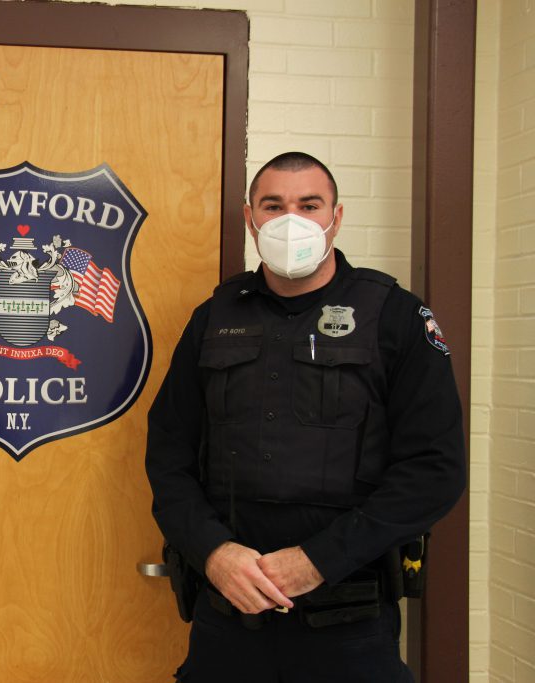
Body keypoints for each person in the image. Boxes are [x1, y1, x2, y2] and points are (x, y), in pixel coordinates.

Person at [145, 152, 466, 681]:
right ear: (250, 219)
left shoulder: (397, 317)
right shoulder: (214, 318)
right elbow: (169, 452)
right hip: (228, 620)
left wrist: (317, 559)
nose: (290, 219)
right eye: (273, 205)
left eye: (309, 205)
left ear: (335, 217)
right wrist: (213, 551)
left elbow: (435, 468)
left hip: (350, 623)